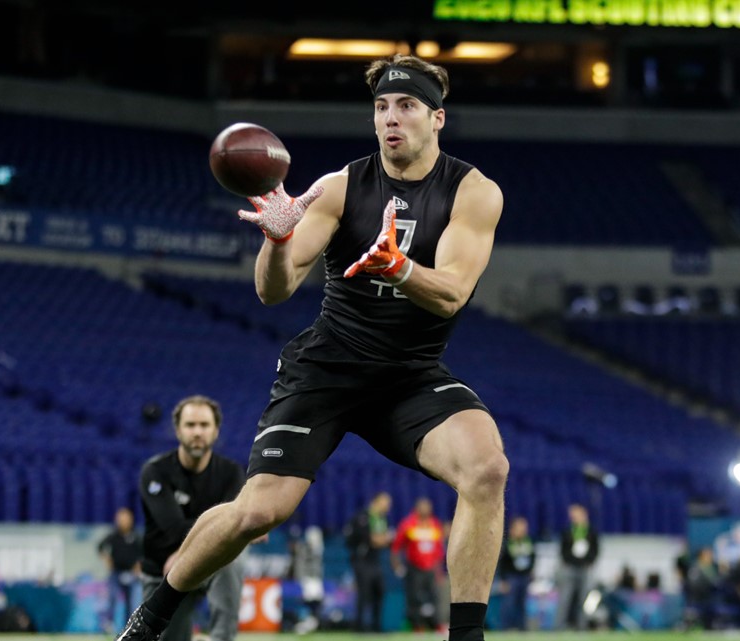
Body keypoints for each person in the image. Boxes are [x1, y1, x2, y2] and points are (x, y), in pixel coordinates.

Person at [116, 53, 507, 641]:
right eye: (381, 108)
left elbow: (450, 294)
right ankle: (153, 614)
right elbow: (274, 290)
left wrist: (399, 268)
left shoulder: (473, 192)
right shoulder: (340, 187)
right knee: (258, 512)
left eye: (405, 106)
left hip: (408, 373)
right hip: (327, 369)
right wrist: (276, 240)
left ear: (438, 119)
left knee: (487, 468)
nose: (390, 119)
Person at [138, 396, 246, 641]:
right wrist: (230, 526)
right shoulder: (155, 471)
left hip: (212, 565)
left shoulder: (231, 473)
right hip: (162, 572)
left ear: (216, 431)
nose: (197, 432)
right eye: (190, 425)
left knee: (232, 559)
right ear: (177, 430)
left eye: (204, 425)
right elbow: (174, 529)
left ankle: (221, 638)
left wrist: (238, 527)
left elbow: (236, 528)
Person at [392, 497, 446, 632]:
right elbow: (396, 548)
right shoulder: (408, 524)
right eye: (423, 507)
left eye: (428, 507)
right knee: (414, 597)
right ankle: (417, 626)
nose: (426, 510)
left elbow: (439, 551)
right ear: (417, 508)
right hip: (414, 568)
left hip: (431, 568)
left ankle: (436, 625)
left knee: (434, 597)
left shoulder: (435, 524)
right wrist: (397, 566)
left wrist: (438, 571)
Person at [343, 492, 392, 632]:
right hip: (362, 560)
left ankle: (376, 627)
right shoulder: (363, 517)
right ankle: (359, 626)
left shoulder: (383, 519)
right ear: (376, 501)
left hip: (375, 560)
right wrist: (381, 539)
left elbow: (383, 540)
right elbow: (372, 539)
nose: (388, 506)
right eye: (386, 502)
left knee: (379, 592)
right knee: (364, 594)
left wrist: (380, 540)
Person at [98, 507, 143, 633]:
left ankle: (129, 628)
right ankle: (108, 625)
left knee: (133, 603)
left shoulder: (136, 536)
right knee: (112, 599)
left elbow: (144, 554)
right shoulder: (113, 536)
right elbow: (100, 547)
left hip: (132, 575)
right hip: (116, 574)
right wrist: (107, 560)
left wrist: (138, 566)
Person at [557, 503, 599, 630]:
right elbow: (563, 550)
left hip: (585, 569)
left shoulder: (590, 531)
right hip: (569, 568)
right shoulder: (568, 531)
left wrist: (588, 561)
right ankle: (559, 627)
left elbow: (595, 550)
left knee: (584, 599)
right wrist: (570, 561)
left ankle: (582, 626)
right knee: (565, 598)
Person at [496, 516, 534, 631]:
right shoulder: (507, 544)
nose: (523, 530)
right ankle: (505, 628)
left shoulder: (527, 542)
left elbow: (532, 558)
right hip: (511, 578)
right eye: (520, 528)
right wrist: (502, 580)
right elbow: (502, 563)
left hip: (524, 577)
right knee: (509, 604)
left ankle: (522, 628)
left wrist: (530, 572)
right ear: (513, 529)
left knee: (522, 604)